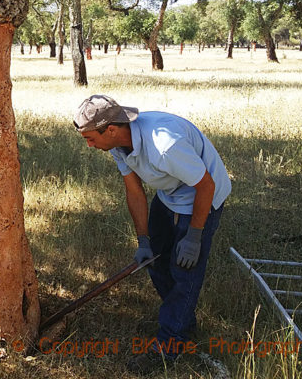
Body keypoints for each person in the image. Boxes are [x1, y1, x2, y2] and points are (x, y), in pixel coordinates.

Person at [73, 95, 231, 374]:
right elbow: (134, 191)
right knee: (155, 263)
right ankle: (181, 320)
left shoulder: (164, 145)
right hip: (170, 193)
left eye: (90, 138)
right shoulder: (118, 144)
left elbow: (206, 185)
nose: (89, 145)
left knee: (185, 271)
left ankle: (170, 344)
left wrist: (194, 236)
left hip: (202, 197)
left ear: (110, 129)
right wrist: (143, 240)